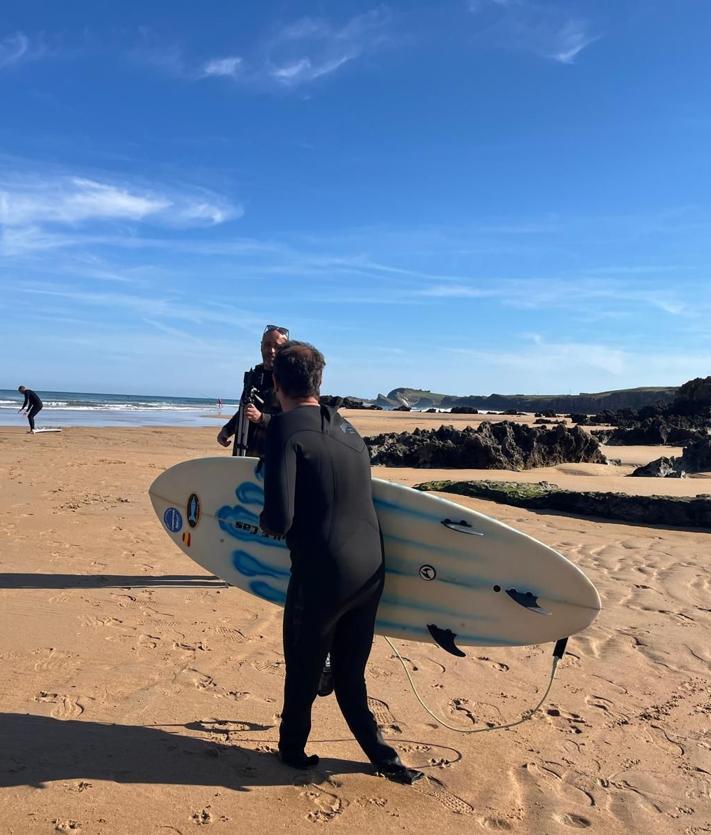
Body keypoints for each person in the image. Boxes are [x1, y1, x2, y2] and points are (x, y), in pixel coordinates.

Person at [259, 341, 424, 785]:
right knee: (350, 674)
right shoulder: (348, 430)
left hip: (322, 574)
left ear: (276, 382)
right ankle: (383, 757)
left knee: (303, 665)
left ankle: (293, 750)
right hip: (371, 570)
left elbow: (278, 519)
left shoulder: (284, 430)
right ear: (320, 382)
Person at [217, 326, 289, 457]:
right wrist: (227, 429)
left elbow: (294, 419)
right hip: (243, 454)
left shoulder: (290, 380)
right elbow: (246, 409)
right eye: (267, 345)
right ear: (261, 346)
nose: (271, 351)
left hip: (272, 458)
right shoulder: (254, 376)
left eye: (277, 347)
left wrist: (262, 418)